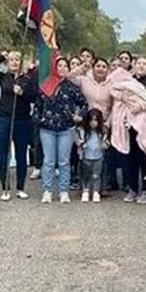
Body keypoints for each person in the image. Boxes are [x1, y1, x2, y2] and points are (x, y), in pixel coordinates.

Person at [109, 57, 146, 204]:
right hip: (128, 125)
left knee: (145, 157)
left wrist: (141, 106)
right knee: (130, 159)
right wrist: (122, 96)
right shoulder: (128, 81)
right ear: (134, 66)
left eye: (144, 63)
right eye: (139, 63)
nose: (141, 66)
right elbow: (113, 91)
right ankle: (133, 189)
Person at [0, 51, 40, 201]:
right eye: (11, 60)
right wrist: (1, 56)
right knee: (3, 155)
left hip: (22, 120)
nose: (14, 62)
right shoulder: (3, 77)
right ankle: (5, 188)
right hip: (3, 119)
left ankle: (21, 188)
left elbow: (34, 96)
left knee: (21, 155)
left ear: (21, 62)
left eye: (17, 60)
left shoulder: (28, 79)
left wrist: (22, 92)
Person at [36, 57, 89, 204]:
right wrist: (39, 121)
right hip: (47, 128)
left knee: (64, 161)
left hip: (66, 128)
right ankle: (47, 191)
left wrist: (79, 116)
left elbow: (84, 104)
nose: (62, 68)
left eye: (65, 66)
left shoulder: (71, 87)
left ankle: (64, 191)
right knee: (49, 161)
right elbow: (38, 106)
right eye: (59, 66)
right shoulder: (46, 86)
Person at [70, 58, 116, 193]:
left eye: (104, 66)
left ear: (107, 69)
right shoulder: (84, 80)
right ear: (93, 67)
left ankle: (101, 188)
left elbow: (115, 107)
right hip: (85, 123)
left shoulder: (112, 85)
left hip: (103, 124)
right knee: (84, 155)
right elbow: (68, 77)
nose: (100, 69)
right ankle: (84, 187)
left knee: (101, 156)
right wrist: (82, 68)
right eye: (98, 66)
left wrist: (108, 124)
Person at [76, 108, 108, 202]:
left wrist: (105, 145)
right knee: (85, 175)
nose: (93, 123)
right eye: (91, 120)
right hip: (85, 156)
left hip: (98, 156)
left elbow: (106, 142)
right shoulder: (82, 131)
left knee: (96, 175)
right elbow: (77, 140)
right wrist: (81, 144)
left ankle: (96, 192)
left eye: (96, 120)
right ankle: (85, 191)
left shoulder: (102, 132)